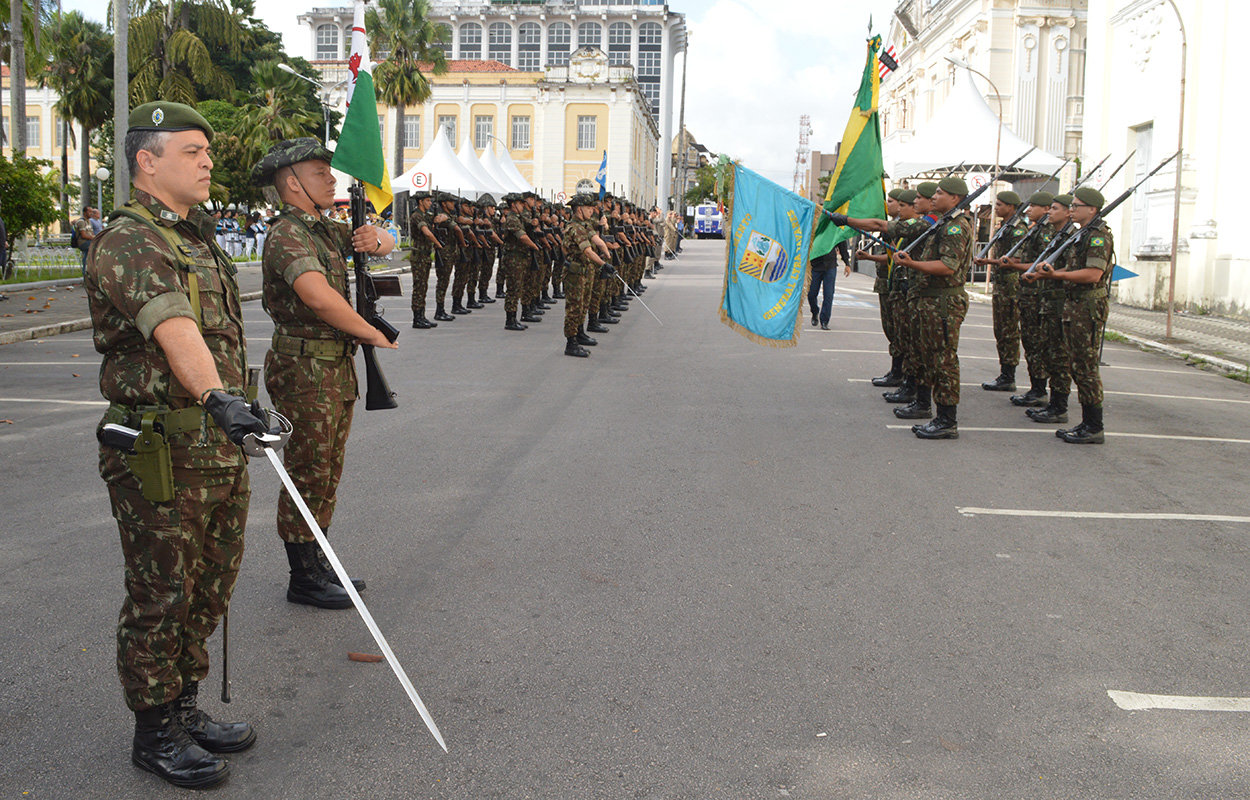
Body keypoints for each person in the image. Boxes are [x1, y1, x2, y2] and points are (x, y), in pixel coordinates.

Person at [85, 101, 269, 789]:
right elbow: (173, 327)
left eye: (207, 151)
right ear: (146, 160)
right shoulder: (132, 241)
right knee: (161, 591)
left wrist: (239, 405)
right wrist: (217, 397)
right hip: (162, 451)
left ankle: (184, 704)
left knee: (210, 585)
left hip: (213, 446)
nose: (207, 160)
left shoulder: (195, 239)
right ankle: (154, 729)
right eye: (192, 150)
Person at [252, 138, 397, 608]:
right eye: (320, 173)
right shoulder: (288, 233)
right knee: (308, 469)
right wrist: (369, 333)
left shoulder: (321, 230)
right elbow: (316, 295)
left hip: (331, 366)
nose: (331, 179)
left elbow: (385, 244)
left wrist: (380, 237)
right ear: (292, 184)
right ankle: (304, 576)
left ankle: (317, 560)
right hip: (304, 368)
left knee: (328, 468)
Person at [1035, 186, 1114, 444]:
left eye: (1076, 206)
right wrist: (1047, 272)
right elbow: (1074, 267)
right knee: (1076, 366)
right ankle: (1086, 422)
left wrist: (1056, 275)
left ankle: (1094, 426)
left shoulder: (1098, 236)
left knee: (1086, 367)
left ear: (1091, 209)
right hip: (1074, 306)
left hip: (1087, 308)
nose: (1071, 209)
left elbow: (1093, 274)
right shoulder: (1083, 234)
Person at [1022, 195, 1075, 424]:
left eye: (1054, 209)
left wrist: (1049, 273)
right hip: (1048, 299)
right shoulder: (1056, 235)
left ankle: (1059, 407)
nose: (1049, 213)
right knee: (1049, 352)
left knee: (1060, 356)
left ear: (1067, 213)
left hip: (1061, 302)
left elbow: (1073, 268)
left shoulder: (1073, 237)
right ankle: (1050, 401)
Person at [1001, 191, 1055, 407]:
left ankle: (1040, 390)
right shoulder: (1036, 230)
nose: (1028, 209)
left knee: (1038, 344)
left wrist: (1012, 265)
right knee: (1031, 342)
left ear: (1045, 210)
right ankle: (1036, 388)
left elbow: (1039, 264)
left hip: (1038, 294)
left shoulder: (1046, 233)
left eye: (1034, 206)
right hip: (1029, 294)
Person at [976, 191, 1026, 391]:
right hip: (1002, 284)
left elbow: (1016, 260)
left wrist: (989, 261)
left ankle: (1009, 376)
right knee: (1001, 330)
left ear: (1011, 207)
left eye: (1000, 204)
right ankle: (1004, 373)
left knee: (1009, 331)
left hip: (1011, 286)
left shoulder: (1018, 230)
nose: (996, 208)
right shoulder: (1006, 226)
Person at [561, 194, 608, 357]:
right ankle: (571, 343)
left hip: (584, 270)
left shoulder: (584, 225)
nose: (592, 210)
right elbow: (587, 250)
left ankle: (579, 333)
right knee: (574, 307)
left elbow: (596, 240)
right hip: (575, 272)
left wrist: (606, 253)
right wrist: (604, 265)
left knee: (583, 304)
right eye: (589, 208)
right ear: (579, 209)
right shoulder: (575, 227)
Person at [407, 190, 441, 329]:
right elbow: (426, 232)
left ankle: (422, 316)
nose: (430, 203)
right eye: (427, 200)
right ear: (420, 201)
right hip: (419, 256)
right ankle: (417, 318)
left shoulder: (426, 215)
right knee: (419, 287)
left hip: (425, 256)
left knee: (423, 286)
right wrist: (438, 244)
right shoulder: (416, 216)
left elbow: (438, 219)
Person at [807, 248, 840, 330]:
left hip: (830, 266)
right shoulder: (814, 234)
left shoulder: (833, 234)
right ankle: (815, 312)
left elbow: (841, 242)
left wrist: (847, 263)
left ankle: (824, 321)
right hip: (815, 266)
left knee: (828, 295)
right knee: (811, 294)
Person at [72, 206, 96, 270]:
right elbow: (84, 235)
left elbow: (91, 233)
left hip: (89, 241)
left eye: (92, 212)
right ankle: (85, 271)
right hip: (83, 242)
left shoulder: (89, 222)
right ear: (85, 212)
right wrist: (93, 238)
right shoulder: (81, 222)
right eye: (89, 211)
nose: (91, 213)